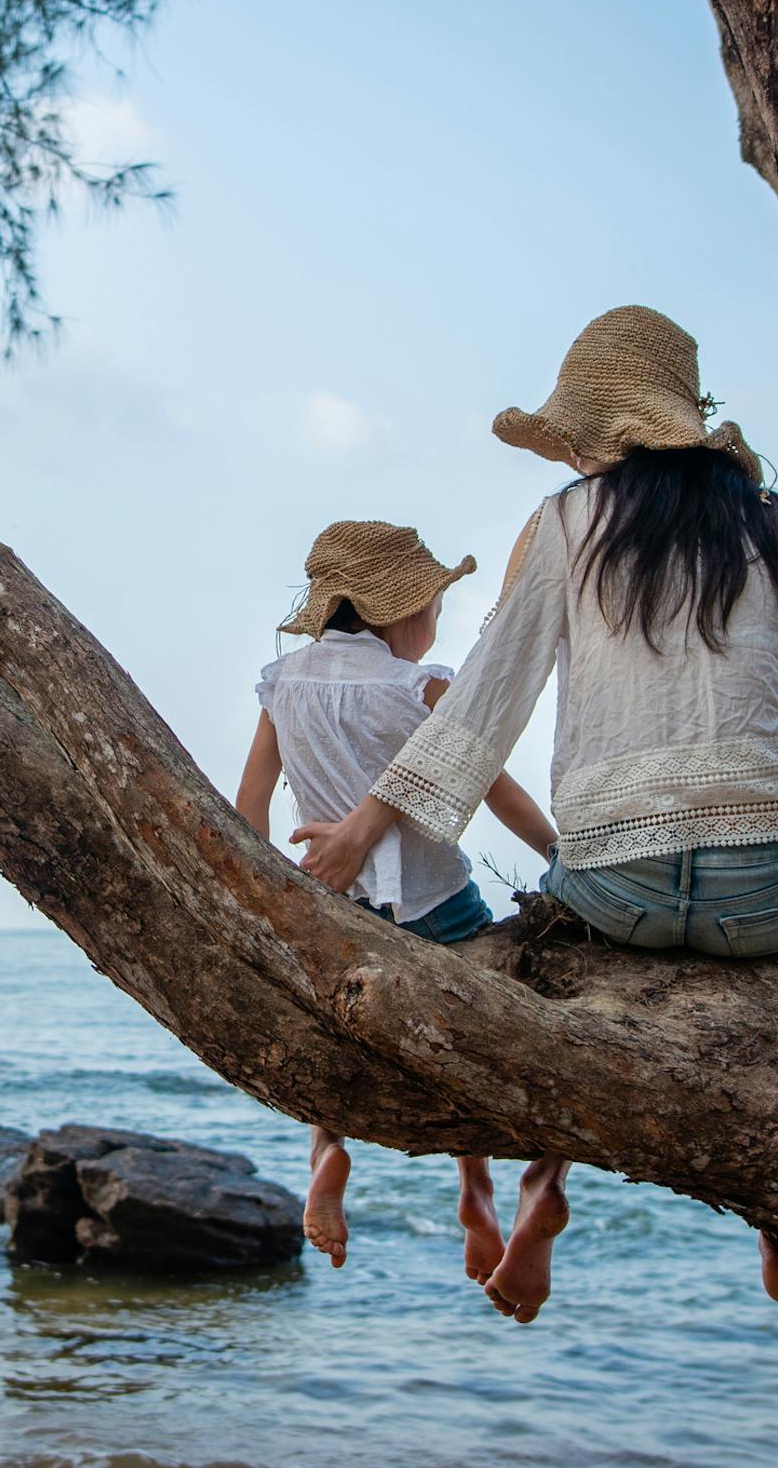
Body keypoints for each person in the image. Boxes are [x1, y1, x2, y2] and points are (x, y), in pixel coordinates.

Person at [293, 306, 778, 1356]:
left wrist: (363, 836)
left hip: (617, 890)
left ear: (597, 435)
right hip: (767, 892)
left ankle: (545, 1189)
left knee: (559, 973)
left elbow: (483, 705)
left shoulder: (564, 521)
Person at [235, 520, 556, 1281]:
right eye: (434, 606)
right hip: (436, 906)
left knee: (335, 1024)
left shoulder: (286, 683)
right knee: (484, 1024)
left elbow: (249, 798)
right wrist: (558, 854)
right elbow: (494, 788)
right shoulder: (420, 685)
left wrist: (265, 890)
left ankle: (328, 1150)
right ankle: (477, 1184)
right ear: (403, 613)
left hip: (332, 901)